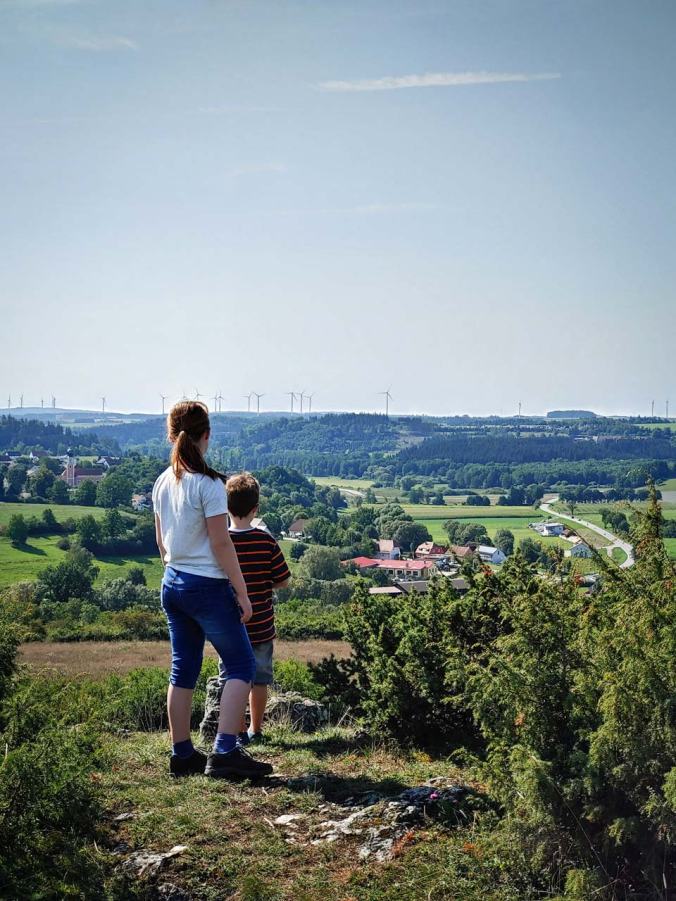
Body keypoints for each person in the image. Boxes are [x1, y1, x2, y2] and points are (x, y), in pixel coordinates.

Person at [152, 401, 272, 779]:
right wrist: (242, 593)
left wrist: (176, 570)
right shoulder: (210, 485)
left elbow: (161, 542)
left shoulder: (162, 481)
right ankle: (224, 752)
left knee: (183, 668)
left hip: (173, 582)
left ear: (172, 436)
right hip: (207, 586)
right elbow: (222, 545)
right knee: (241, 665)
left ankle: (182, 753)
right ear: (207, 436)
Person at [219, 472, 291, 744]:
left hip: (229, 626)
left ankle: (236, 731)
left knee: (231, 677)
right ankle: (255, 729)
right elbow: (283, 580)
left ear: (226, 507)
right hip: (261, 625)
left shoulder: (221, 542)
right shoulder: (266, 541)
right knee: (259, 679)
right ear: (255, 508)